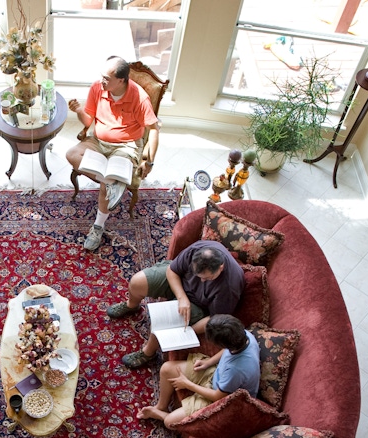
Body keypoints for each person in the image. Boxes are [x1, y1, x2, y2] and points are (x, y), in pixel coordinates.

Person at [66, 56, 159, 252]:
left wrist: (149, 162)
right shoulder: (97, 88)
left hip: (126, 146)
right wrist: (79, 110)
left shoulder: (139, 97)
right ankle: (112, 184)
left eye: (107, 78)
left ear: (121, 80)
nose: (102, 81)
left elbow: (154, 129)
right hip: (98, 141)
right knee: (72, 154)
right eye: (102, 76)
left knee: (103, 187)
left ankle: (98, 227)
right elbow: (88, 121)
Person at [108, 240, 244, 368]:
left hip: (198, 306)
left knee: (162, 324)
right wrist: (182, 297)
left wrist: (188, 330)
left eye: (207, 278)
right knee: (137, 282)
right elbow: (172, 270)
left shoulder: (229, 287)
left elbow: (215, 319)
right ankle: (132, 306)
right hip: (179, 284)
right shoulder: (197, 250)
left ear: (221, 268)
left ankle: (148, 353)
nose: (202, 281)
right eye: (198, 276)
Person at [136, 314, 260, 428]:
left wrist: (187, 384)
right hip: (217, 374)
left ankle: (160, 415)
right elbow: (227, 351)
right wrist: (209, 362)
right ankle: (161, 407)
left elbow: (218, 396)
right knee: (166, 369)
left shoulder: (235, 370)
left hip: (222, 397)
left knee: (170, 422)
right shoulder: (244, 335)